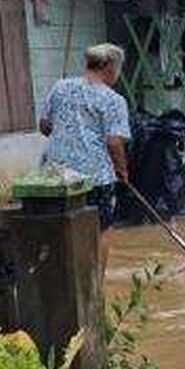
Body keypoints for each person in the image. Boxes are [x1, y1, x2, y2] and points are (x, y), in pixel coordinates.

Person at [39, 43, 131, 270]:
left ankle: (60, 282)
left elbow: (44, 126)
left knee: (59, 232)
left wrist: (64, 133)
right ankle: (94, 288)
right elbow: (114, 142)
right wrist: (123, 170)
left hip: (54, 176)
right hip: (95, 178)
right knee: (101, 231)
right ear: (110, 67)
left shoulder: (60, 87)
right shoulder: (114, 100)